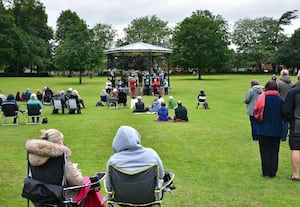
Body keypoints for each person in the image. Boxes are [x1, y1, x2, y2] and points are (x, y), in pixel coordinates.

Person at [24, 129, 106, 206]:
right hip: (60, 195)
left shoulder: (32, 154)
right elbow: (78, 182)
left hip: (38, 192)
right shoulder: (60, 156)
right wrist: (77, 172)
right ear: (59, 142)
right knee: (91, 186)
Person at [105, 126, 165, 195]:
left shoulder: (113, 161)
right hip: (149, 197)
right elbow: (161, 175)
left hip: (122, 199)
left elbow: (108, 185)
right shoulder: (152, 154)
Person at [254, 80, 284, 178]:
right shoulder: (280, 100)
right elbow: (284, 115)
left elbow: (256, 113)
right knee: (274, 152)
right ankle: (273, 172)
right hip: (276, 129)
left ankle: (265, 171)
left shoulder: (262, 98)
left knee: (265, 152)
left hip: (264, 129)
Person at [283, 71, 300, 181]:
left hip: (297, 123)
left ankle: (296, 174)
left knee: (296, 148)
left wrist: (290, 120)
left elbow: (286, 110)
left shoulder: (294, 91)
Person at [278, 69, 293, 141]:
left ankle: (282, 136)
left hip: (281, 104)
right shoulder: (292, 83)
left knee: (283, 121)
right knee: (289, 121)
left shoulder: (279, 83)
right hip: (291, 104)